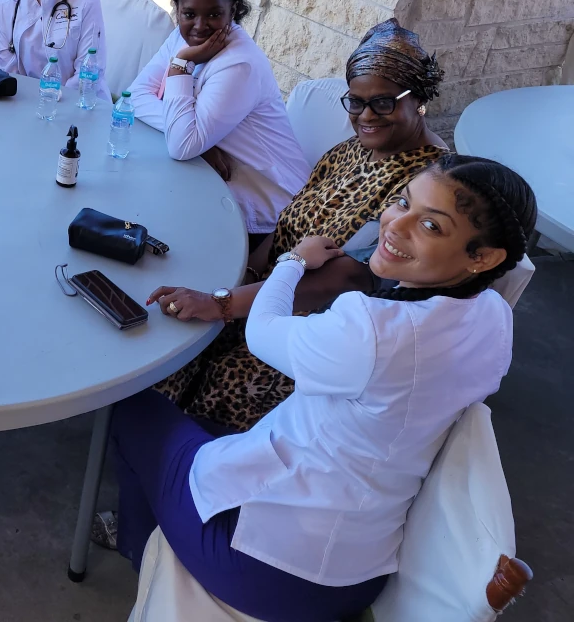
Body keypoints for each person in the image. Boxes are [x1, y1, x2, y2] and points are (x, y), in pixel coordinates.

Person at [111, 154, 536, 622]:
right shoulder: (494, 318)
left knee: (133, 406)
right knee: (199, 428)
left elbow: (262, 330)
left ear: (483, 257)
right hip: (358, 573)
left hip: (262, 570)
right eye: (402, 202)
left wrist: (295, 259)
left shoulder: (374, 329)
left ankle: (140, 551)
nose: (394, 226)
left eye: (431, 226)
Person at [148, 18, 452, 433]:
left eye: (383, 103)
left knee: (208, 396)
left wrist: (222, 304)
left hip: (312, 329)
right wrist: (243, 278)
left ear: (418, 101)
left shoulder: (428, 184)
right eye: (356, 102)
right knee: (164, 350)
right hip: (264, 292)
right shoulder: (351, 149)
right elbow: (290, 222)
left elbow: (348, 278)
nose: (366, 116)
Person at [125, 0, 310, 242]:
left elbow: (182, 145)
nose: (200, 26)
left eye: (213, 14)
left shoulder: (239, 64)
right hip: (213, 184)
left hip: (271, 211)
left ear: (232, 11)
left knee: (152, 227)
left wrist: (180, 66)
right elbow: (136, 96)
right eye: (189, 14)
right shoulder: (181, 37)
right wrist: (196, 139)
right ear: (177, 10)